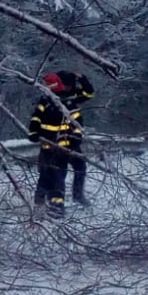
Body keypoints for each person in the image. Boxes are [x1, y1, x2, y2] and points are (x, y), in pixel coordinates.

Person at [27, 72, 85, 217]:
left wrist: (75, 140)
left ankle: (55, 206)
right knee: (48, 175)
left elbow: (77, 125)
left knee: (56, 177)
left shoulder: (65, 103)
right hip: (51, 148)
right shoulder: (46, 102)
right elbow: (36, 119)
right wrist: (33, 132)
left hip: (61, 150)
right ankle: (43, 203)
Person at [54, 70, 96, 205]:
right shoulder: (53, 96)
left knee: (80, 167)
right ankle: (57, 202)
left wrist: (83, 78)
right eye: (65, 85)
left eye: (70, 85)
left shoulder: (73, 95)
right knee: (60, 173)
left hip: (73, 140)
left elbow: (89, 93)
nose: (68, 88)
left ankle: (78, 195)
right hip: (58, 141)